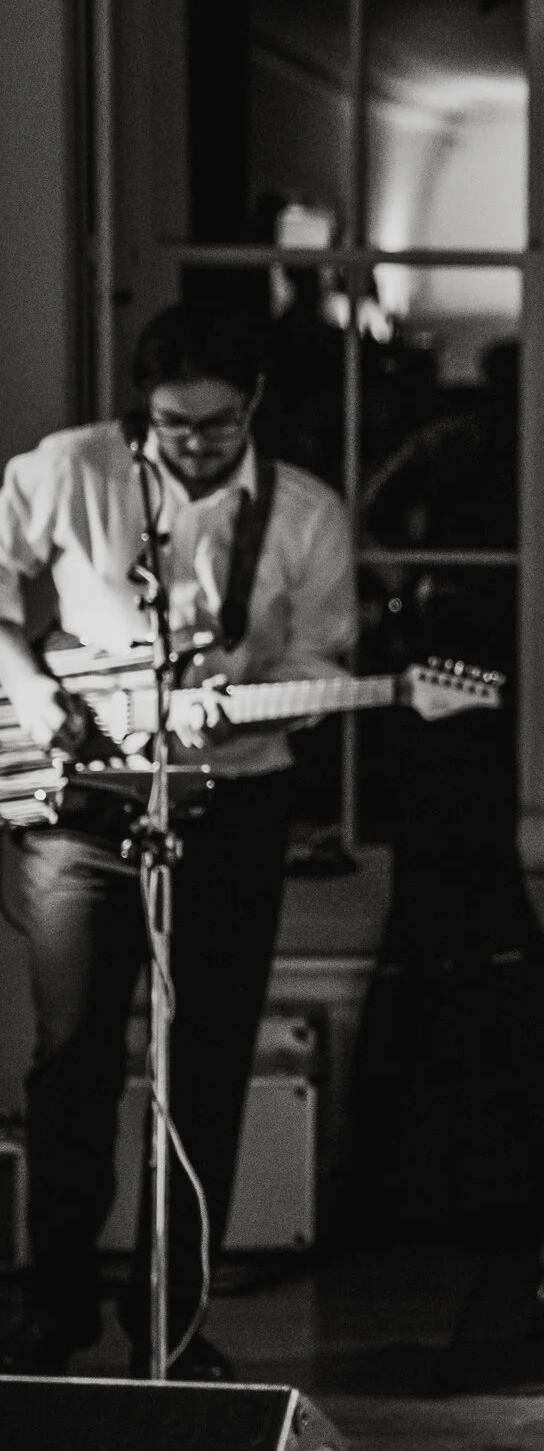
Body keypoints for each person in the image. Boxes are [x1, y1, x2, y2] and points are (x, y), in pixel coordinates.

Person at [0, 306, 355, 1378]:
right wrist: (29, 688)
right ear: (139, 408)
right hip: (80, 801)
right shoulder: (68, 468)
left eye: (218, 425)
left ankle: (172, 1324)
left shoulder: (305, 513)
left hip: (235, 801)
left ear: (255, 404)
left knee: (205, 1062)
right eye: (172, 425)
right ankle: (54, 1304)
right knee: (72, 1055)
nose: (195, 445)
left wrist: (245, 704)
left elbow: (325, 663)